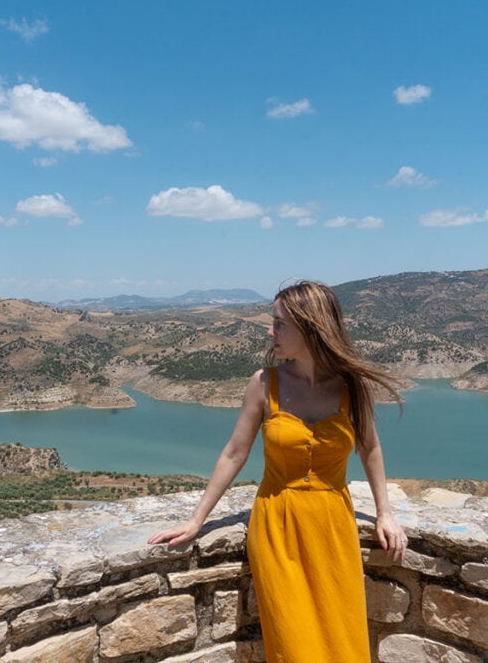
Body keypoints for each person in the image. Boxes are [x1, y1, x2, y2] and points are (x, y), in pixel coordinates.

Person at [148, 280, 407, 662]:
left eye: (280, 324)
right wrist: (196, 520)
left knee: (343, 639)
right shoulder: (263, 383)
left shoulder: (354, 387)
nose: (271, 332)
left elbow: (370, 448)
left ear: (311, 326)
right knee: (293, 645)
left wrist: (385, 513)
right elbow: (234, 453)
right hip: (277, 529)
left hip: (333, 528)